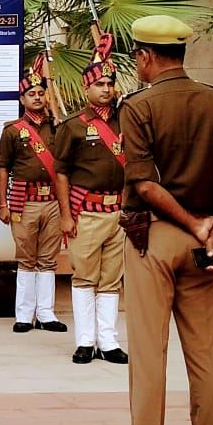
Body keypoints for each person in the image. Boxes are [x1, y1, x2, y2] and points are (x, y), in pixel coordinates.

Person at [95, 15, 213, 425]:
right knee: (205, 354)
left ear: (145, 56)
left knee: (148, 353)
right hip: (204, 245)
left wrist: (194, 224)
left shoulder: (139, 106)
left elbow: (144, 184)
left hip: (155, 237)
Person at [54, 35, 129, 365]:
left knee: (111, 279)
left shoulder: (127, 119)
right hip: (86, 211)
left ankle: (108, 341)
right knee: (85, 277)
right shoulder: (73, 127)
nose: (106, 89)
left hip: (118, 211)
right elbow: (60, 172)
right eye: (99, 84)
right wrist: (66, 215)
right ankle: (85, 341)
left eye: (110, 83)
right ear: (86, 88)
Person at [0, 59, 67, 334]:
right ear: (22, 99)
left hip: (53, 201)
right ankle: (24, 315)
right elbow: (3, 168)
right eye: (31, 94)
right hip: (24, 202)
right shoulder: (12, 130)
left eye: (40, 93)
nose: (37, 97)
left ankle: (46, 313)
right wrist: (3, 204)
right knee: (26, 258)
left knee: (48, 259)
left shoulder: (58, 127)